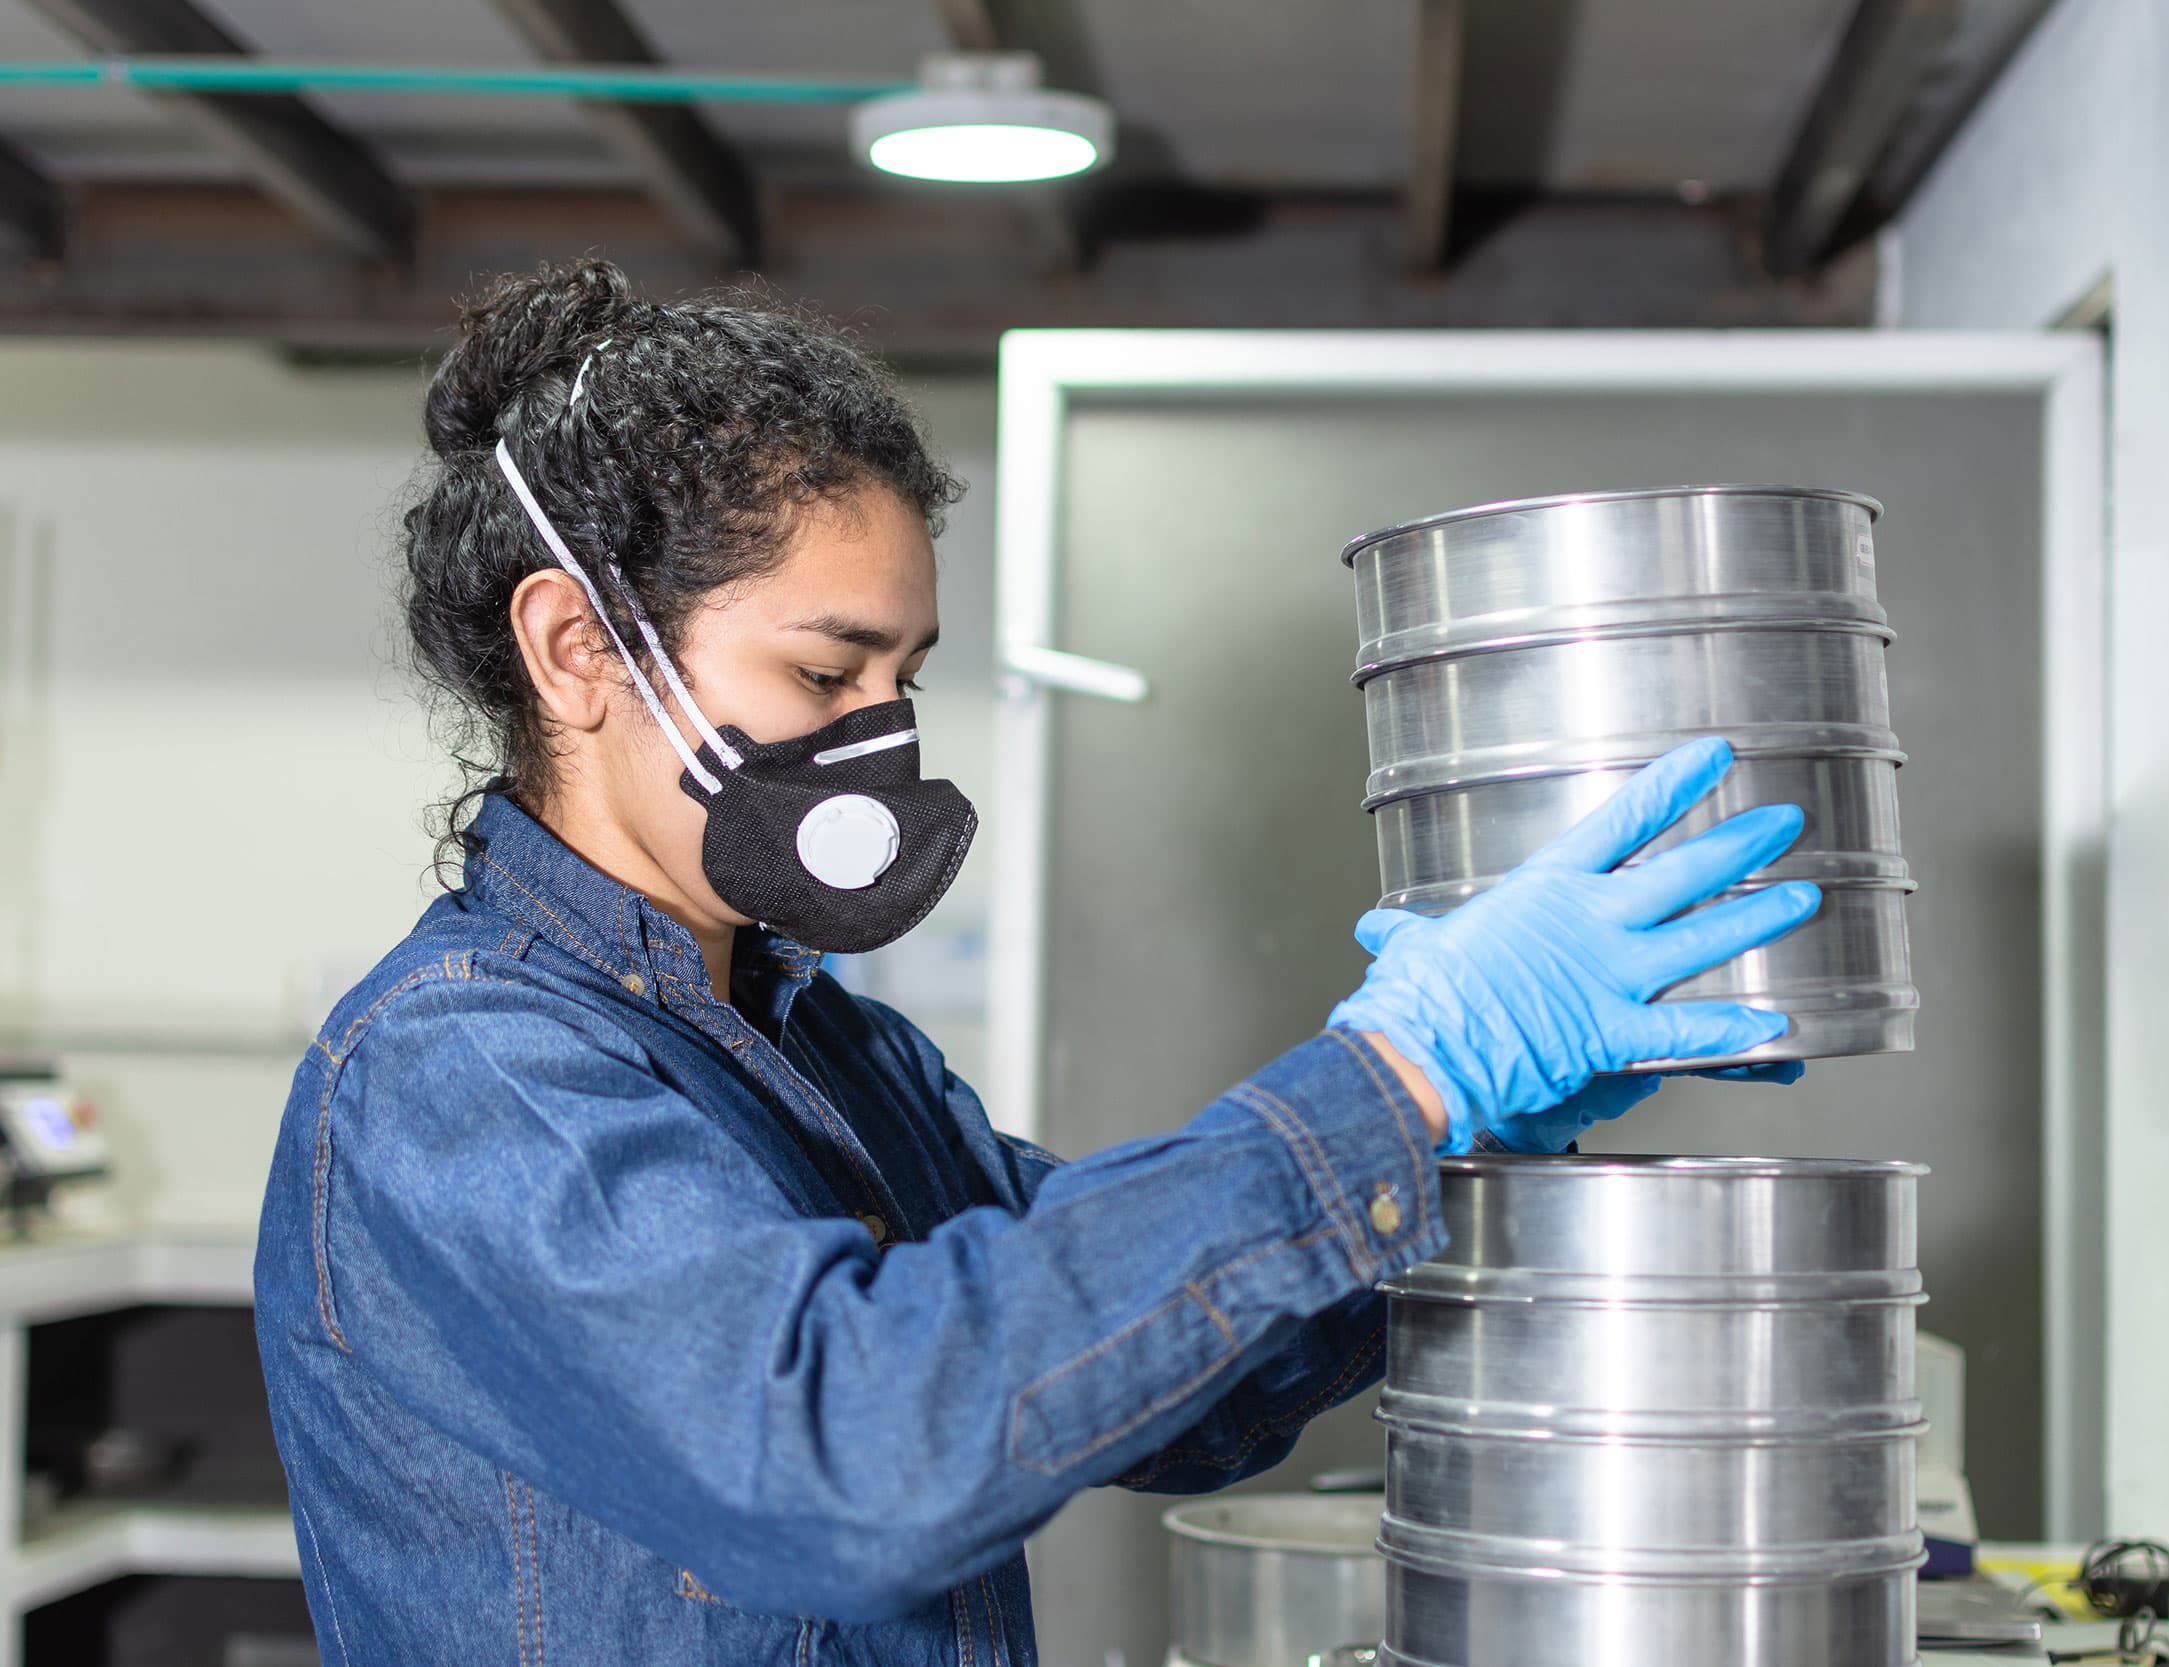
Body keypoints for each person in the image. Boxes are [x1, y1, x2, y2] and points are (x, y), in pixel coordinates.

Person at [252, 260, 1824, 1666]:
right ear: (579, 650)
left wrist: (1455, 1145)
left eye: (904, 675)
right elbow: (847, 1464)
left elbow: (1153, 1384)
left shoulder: (814, 1039)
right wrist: (1402, 1072)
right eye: (824, 670)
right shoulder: (458, 1073)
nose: (884, 737)